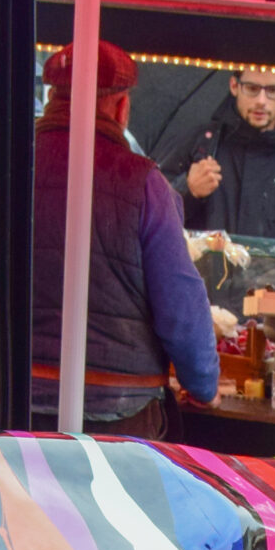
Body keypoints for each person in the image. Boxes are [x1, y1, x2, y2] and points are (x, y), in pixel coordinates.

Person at [30, 40, 219, 437]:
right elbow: (180, 305)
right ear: (121, 107)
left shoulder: (7, 163)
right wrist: (203, 383)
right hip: (118, 410)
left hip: (13, 397)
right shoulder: (144, 182)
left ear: (52, 98)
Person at [158, 70, 275, 242]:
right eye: (252, 88)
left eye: (273, 90)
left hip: (267, 262)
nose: (261, 101)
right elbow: (152, 216)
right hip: (199, 261)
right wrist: (188, 190)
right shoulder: (199, 144)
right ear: (234, 86)